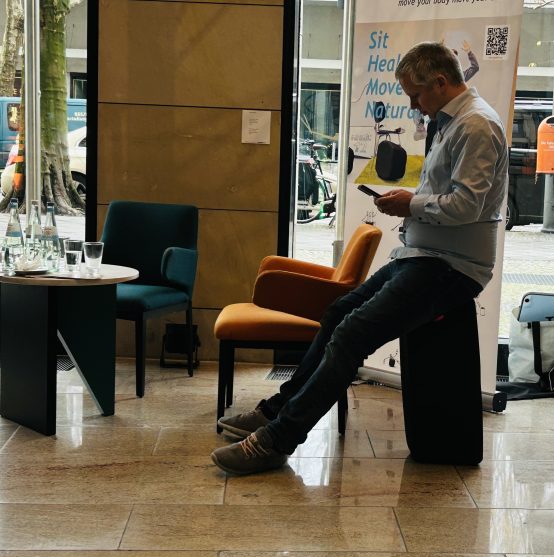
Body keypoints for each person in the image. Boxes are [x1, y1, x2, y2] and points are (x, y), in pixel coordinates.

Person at [211, 41, 509, 475]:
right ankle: (277, 410)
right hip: (424, 256)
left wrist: (412, 204)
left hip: (451, 267)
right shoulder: (451, 121)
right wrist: (414, 203)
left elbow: (467, 206)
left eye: (416, 95)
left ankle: (278, 439)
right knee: (337, 314)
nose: (412, 105)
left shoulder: (476, 126)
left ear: (441, 83)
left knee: (352, 334)